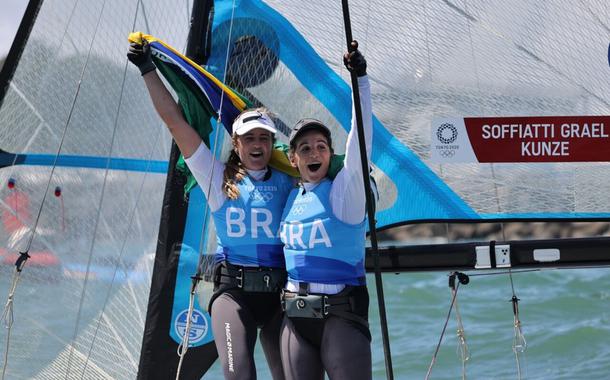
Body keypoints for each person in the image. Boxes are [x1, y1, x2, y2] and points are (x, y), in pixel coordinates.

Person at [127, 40, 292, 380]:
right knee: (239, 375)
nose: (258, 144)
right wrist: (147, 70)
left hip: (280, 296)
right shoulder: (217, 178)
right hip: (233, 295)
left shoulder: (291, 179)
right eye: (250, 138)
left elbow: (333, 165)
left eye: (264, 138)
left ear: (271, 143)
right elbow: (175, 123)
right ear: (237, 142)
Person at [279, 42, 373, 380]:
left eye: (321, 146)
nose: (313, 152)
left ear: (330, 153)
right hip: (294, 320)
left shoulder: (345, 194)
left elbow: (360, 141)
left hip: (340, 319)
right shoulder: (290, 197)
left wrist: (359, 80)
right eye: (304, 148)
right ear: (293, 159)